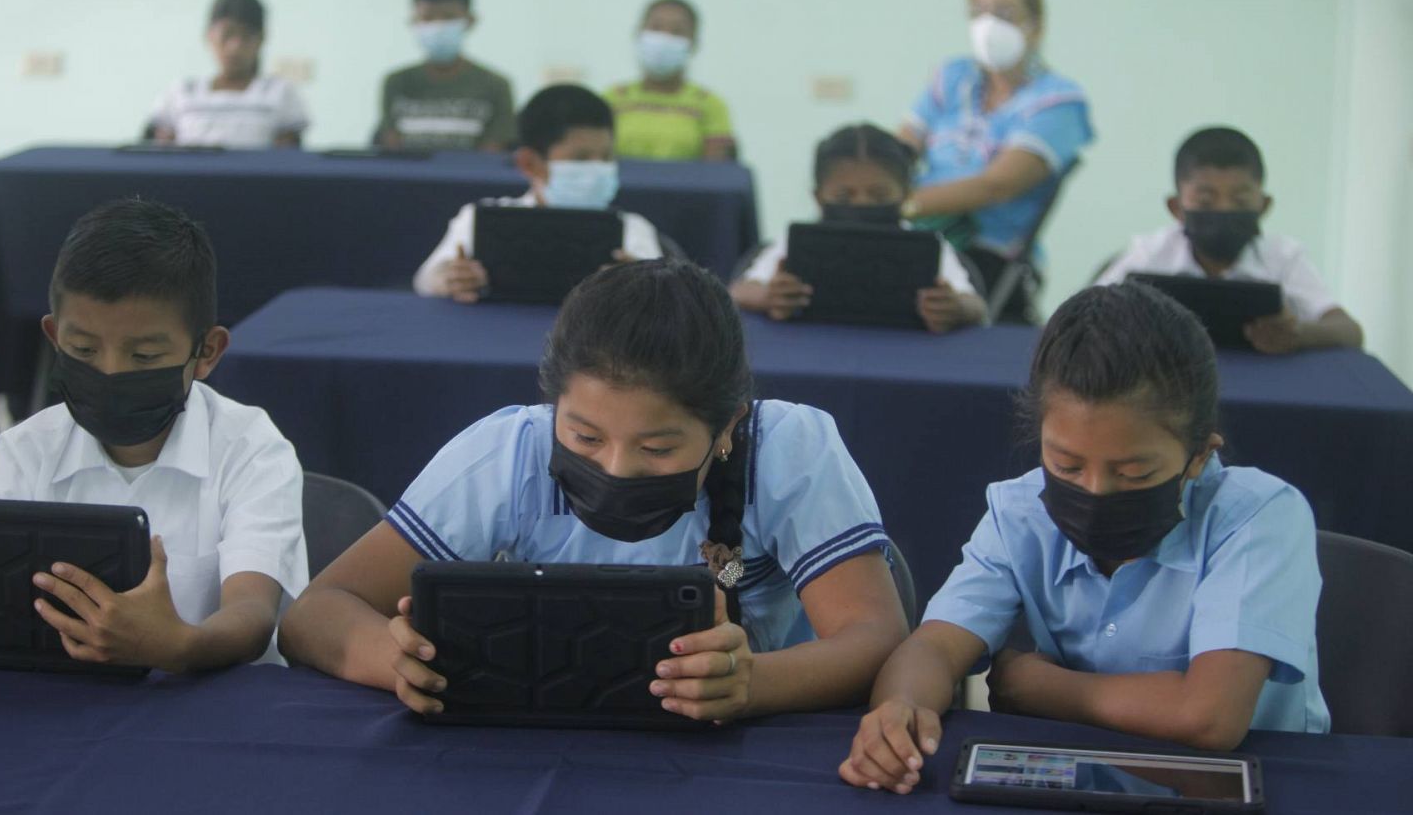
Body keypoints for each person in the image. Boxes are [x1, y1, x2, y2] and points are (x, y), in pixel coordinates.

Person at [282, 259, 911, 722]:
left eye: (658, 448)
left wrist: (750, 684)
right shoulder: (509, 451)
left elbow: (876, 637)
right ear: (553, 404)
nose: (614, 468)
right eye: (583, 437)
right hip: (536, 736)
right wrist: (388, 658)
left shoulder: (788, 447)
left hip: (748, 738)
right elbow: (315, 613)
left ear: (728, 427)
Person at [839, 282, 1328, 794]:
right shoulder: (1020, 512)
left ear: (1199, 456)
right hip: (1080, 776)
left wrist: (1041, 687)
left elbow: (1210, 717)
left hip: (1260, 783)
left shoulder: (1259, 516)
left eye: (1135, 473)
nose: (1095, 491)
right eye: (1066, 465)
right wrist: (898, 711)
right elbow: (935, 647)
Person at [0, 199, 309, 671]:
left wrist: (179, 647)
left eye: (144, 356)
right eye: (84, 349)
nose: (109, 372)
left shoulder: (252, 451)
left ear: (207, 351)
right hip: (57, 703)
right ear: (54, 338)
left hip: (215, 707)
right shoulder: (27, 450)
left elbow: (252, 612)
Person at [897, 0, 1094, 320]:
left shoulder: (1058, 101)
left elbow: (996, 186)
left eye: (1004, 13)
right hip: (920, 235)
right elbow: (902, 149)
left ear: (1036, 26)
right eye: (978, 13)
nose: (988, 25)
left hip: (988, 253)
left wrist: (899, 206)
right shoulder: (954, 77)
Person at [1094, 126, 1363, 354]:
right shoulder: (1150, 254)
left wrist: (1299, 334)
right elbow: (1081, 318)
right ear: (1176, 208)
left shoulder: (1284, 258)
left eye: (1240, 200)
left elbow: (1350, 332)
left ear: (1264, 206)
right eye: (1206, 200)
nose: (1223, 211)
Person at [412, 84, 664, 302]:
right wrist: (450, 278)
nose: (599, 169)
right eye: (581, 158)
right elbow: (425, 279)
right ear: (529, 164)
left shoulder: (633, 230)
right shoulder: (481, 218)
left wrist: (639, 287)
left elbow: (665, 299)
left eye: (607, 157)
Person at [730, 124, 986, 332]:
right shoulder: (798, 240)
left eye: (879, 195)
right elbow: (737, 292)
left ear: (906, 195)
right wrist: (768, 296)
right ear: (818, 197)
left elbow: (976, 306)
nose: (861, 203)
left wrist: (954, 308)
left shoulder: (926, 244)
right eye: (844, 196)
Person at [374, 0, 516, 152]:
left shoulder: (495, 86)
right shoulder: (396, 83)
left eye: (449, 17)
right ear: (413, 21)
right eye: (428, 18)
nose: (438, 26)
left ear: (470, 20)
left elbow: (491, 159)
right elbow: (391, 156)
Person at [148, 0, 309, 149]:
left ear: (261, 39)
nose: (235, 47)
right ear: (209, 37)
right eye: (227, 35)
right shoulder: (182, 92)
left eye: (246, 36)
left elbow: (287, 159)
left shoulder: (279, 93)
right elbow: (161, 152)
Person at [605, 0, 736, 161]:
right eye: (655, 28)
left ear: (694, 44)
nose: (664, 38)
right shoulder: (613, 98)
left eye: (677, 31)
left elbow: (718, 171)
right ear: (637, 34)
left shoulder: (710, 104)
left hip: (690, 187)